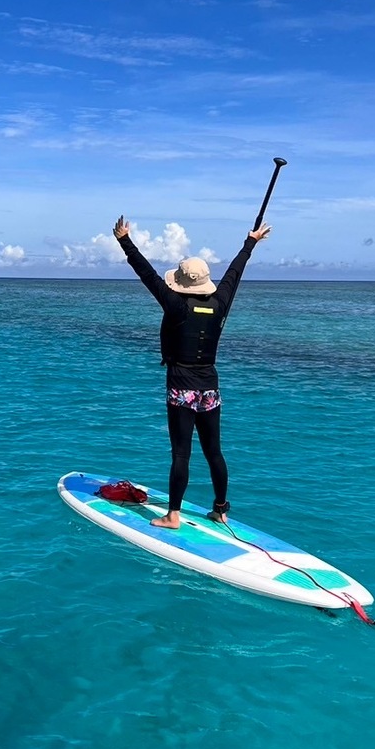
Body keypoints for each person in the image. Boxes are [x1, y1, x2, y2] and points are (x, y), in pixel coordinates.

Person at [113, 216, 270, 529]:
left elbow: (148, 275)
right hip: (210, 387)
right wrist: (250, 243)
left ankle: (173, 515)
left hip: (181, 386)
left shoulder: (176, 306)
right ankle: (220, 509)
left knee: (181, 454)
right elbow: (234, 273)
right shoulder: (220, 303)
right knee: (214, 452)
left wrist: (124, 241)